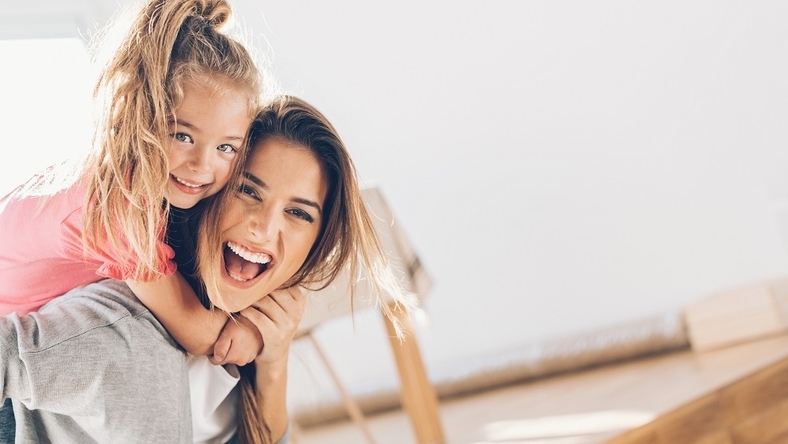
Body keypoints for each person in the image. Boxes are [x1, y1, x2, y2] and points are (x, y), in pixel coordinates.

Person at [0, 95, 416, 444]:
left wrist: (273, 361)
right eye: (248, 191)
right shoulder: (122, 326)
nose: (265, 227)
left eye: (298, 212)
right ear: (207, 190)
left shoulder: (251, 326)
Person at [0, 0, 267, 439]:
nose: (202, 165)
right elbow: (197, 333)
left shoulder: (122, 177)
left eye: (227, 148)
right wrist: (255, 332)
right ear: (139, 116)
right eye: (181, 135)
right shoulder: (118, 207)